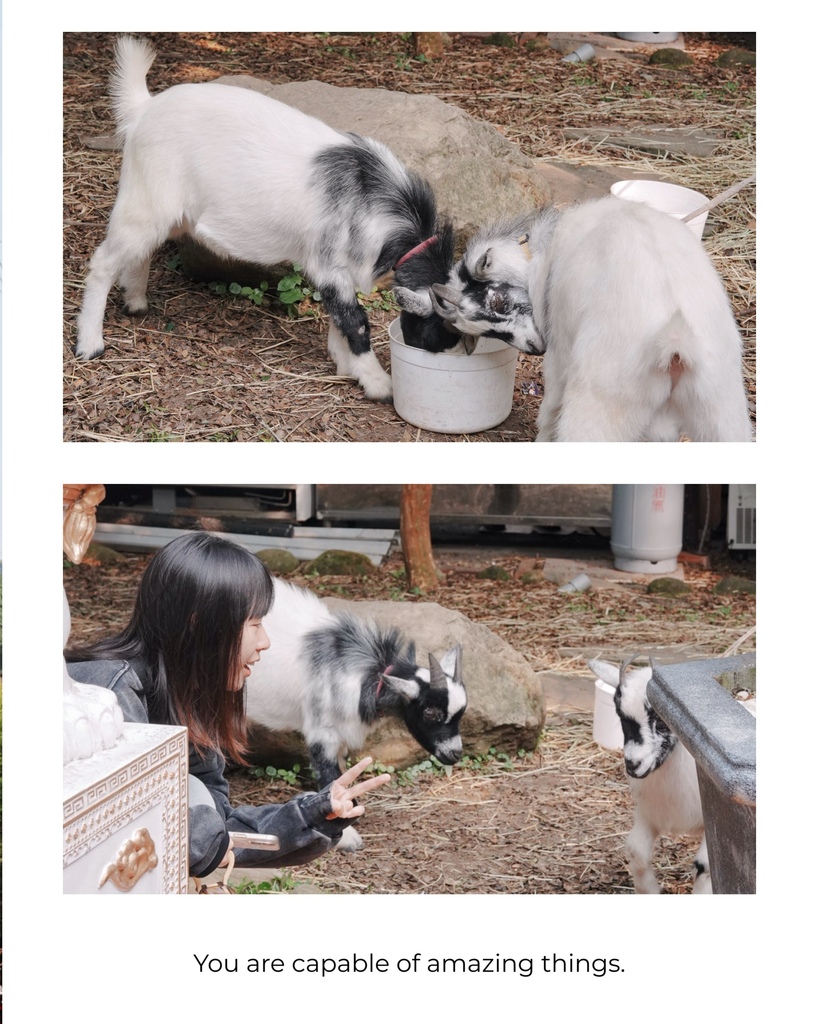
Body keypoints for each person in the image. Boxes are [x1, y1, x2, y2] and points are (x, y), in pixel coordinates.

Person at [65, 531, 391, 879]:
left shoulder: (188, 698)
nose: (264, 642)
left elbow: (215, 827)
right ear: (198, 623)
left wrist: (312, 813)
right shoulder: (107, 697)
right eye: (254, 624)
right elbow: (145, 826)